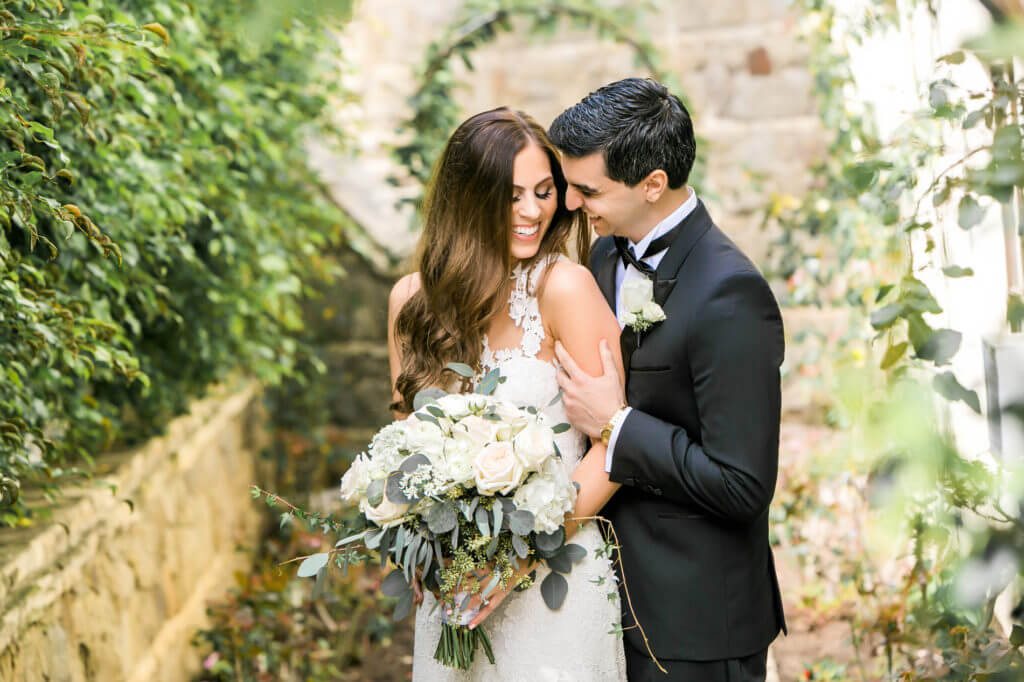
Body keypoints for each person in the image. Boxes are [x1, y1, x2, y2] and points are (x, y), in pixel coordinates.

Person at [548, 77, 787, 682]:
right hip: (605, 604)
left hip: (697, 625)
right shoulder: (603, 256)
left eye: (587, 190)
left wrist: (617, 425)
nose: (571, 205)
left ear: (653, 184)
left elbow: (742, 484)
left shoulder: (730, 294)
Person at [387, 107, 628, 680]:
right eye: (510, 195)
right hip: (454, 592)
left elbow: (615, 445)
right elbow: (401, 447)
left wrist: (516, 557)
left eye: (544, 191)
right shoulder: (410, 303)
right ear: (467, 198)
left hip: (555, 583)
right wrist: (416, 539)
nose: (532, 211)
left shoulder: (565, 287)